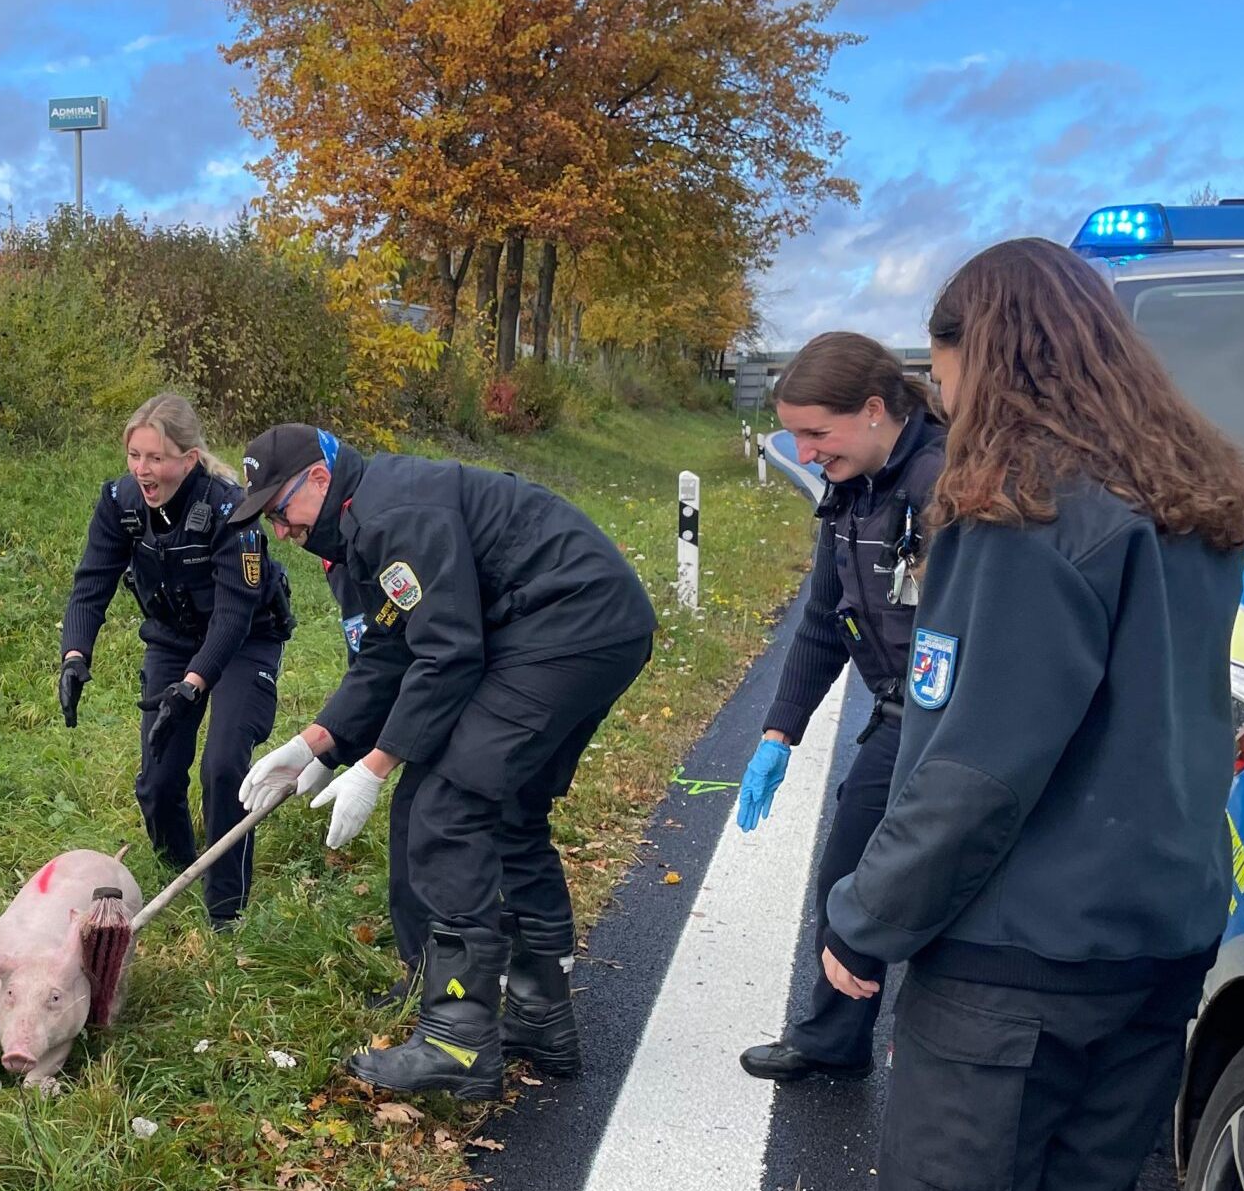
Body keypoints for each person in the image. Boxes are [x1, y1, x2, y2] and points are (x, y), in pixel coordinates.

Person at [800, 238, 1244, 1191]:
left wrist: (862, 921)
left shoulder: (1018, 512)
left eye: (944, 370)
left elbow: (971, 768)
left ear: (986, 354)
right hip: (1156, 946)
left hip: (1016, 962)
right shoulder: (1193, 502)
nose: (942, 400)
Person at [234, 425, 656, 1098]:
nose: (281, 531)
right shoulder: (357, 527)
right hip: (592, 625)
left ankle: (457, 1041)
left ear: (318, 477)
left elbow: (448, 653)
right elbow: (389, 652)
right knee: (508, 810)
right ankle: (539, 1017)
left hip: (565, 627)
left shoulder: (392, 516)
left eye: (280, 511)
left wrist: (374, 767)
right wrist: (316, 745)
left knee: (444, 807)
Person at [737, 333, 947, 1082]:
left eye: (815, 434)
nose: (804, 452)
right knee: (845, 879)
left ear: (872, 410)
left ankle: (934, 1058)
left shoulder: (942, 486)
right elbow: (824, 622)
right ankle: (834, 1039)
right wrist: (778, 733)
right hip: (898, 712)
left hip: (953, 722)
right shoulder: (851, 492)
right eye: (793, 436)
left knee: (918, 890)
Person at [58, 393, 295, 928]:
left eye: (156, 458)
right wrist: (74, 654)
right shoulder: (120, 503)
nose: (143, 470)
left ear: (188, 460)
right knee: (159, 778)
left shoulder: (232, 510)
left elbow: (234, 615)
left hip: (244, 641)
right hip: (173, 638)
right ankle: (180, 873)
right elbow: (91, 582)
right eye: (134, 455)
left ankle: (226, 910)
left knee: (224, 766)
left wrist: (193, 684)